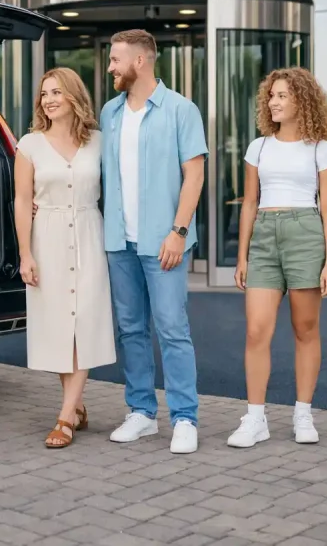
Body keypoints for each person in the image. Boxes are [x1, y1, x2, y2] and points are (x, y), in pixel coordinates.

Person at [100, 29, 207, 454]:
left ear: (140, 62)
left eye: (115, 60)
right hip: (118, 241)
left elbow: (194, 175)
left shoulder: (181, 110)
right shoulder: (109, 113)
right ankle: (142, 412)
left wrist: (178, 232)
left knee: (172, 328)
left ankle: (185, 418)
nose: (110, 67)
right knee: (130, 329)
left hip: (164, 241)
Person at [230, 68, 327, 448]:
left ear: (302, 101)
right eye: (271, 96)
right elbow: (249, 203)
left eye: (282, 96)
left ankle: (303, 413)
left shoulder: (320, 149)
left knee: (304, 329)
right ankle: (255, 417)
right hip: (264, 236)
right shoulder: (258, 147)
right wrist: (242, 255)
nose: (274, 102)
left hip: (305, 234)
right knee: (256, 330)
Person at [14, 67, 116, 448]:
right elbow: (23, 201)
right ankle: (76, 406)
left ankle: (65, 416)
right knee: (59, 328)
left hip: (90, 234)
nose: (50, 99)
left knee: (83, 323)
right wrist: (25, 253)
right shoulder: (29, 145)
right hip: (48, 239)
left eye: (57, 92)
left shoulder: (99, 142)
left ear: (74, 96)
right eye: (44, 94)